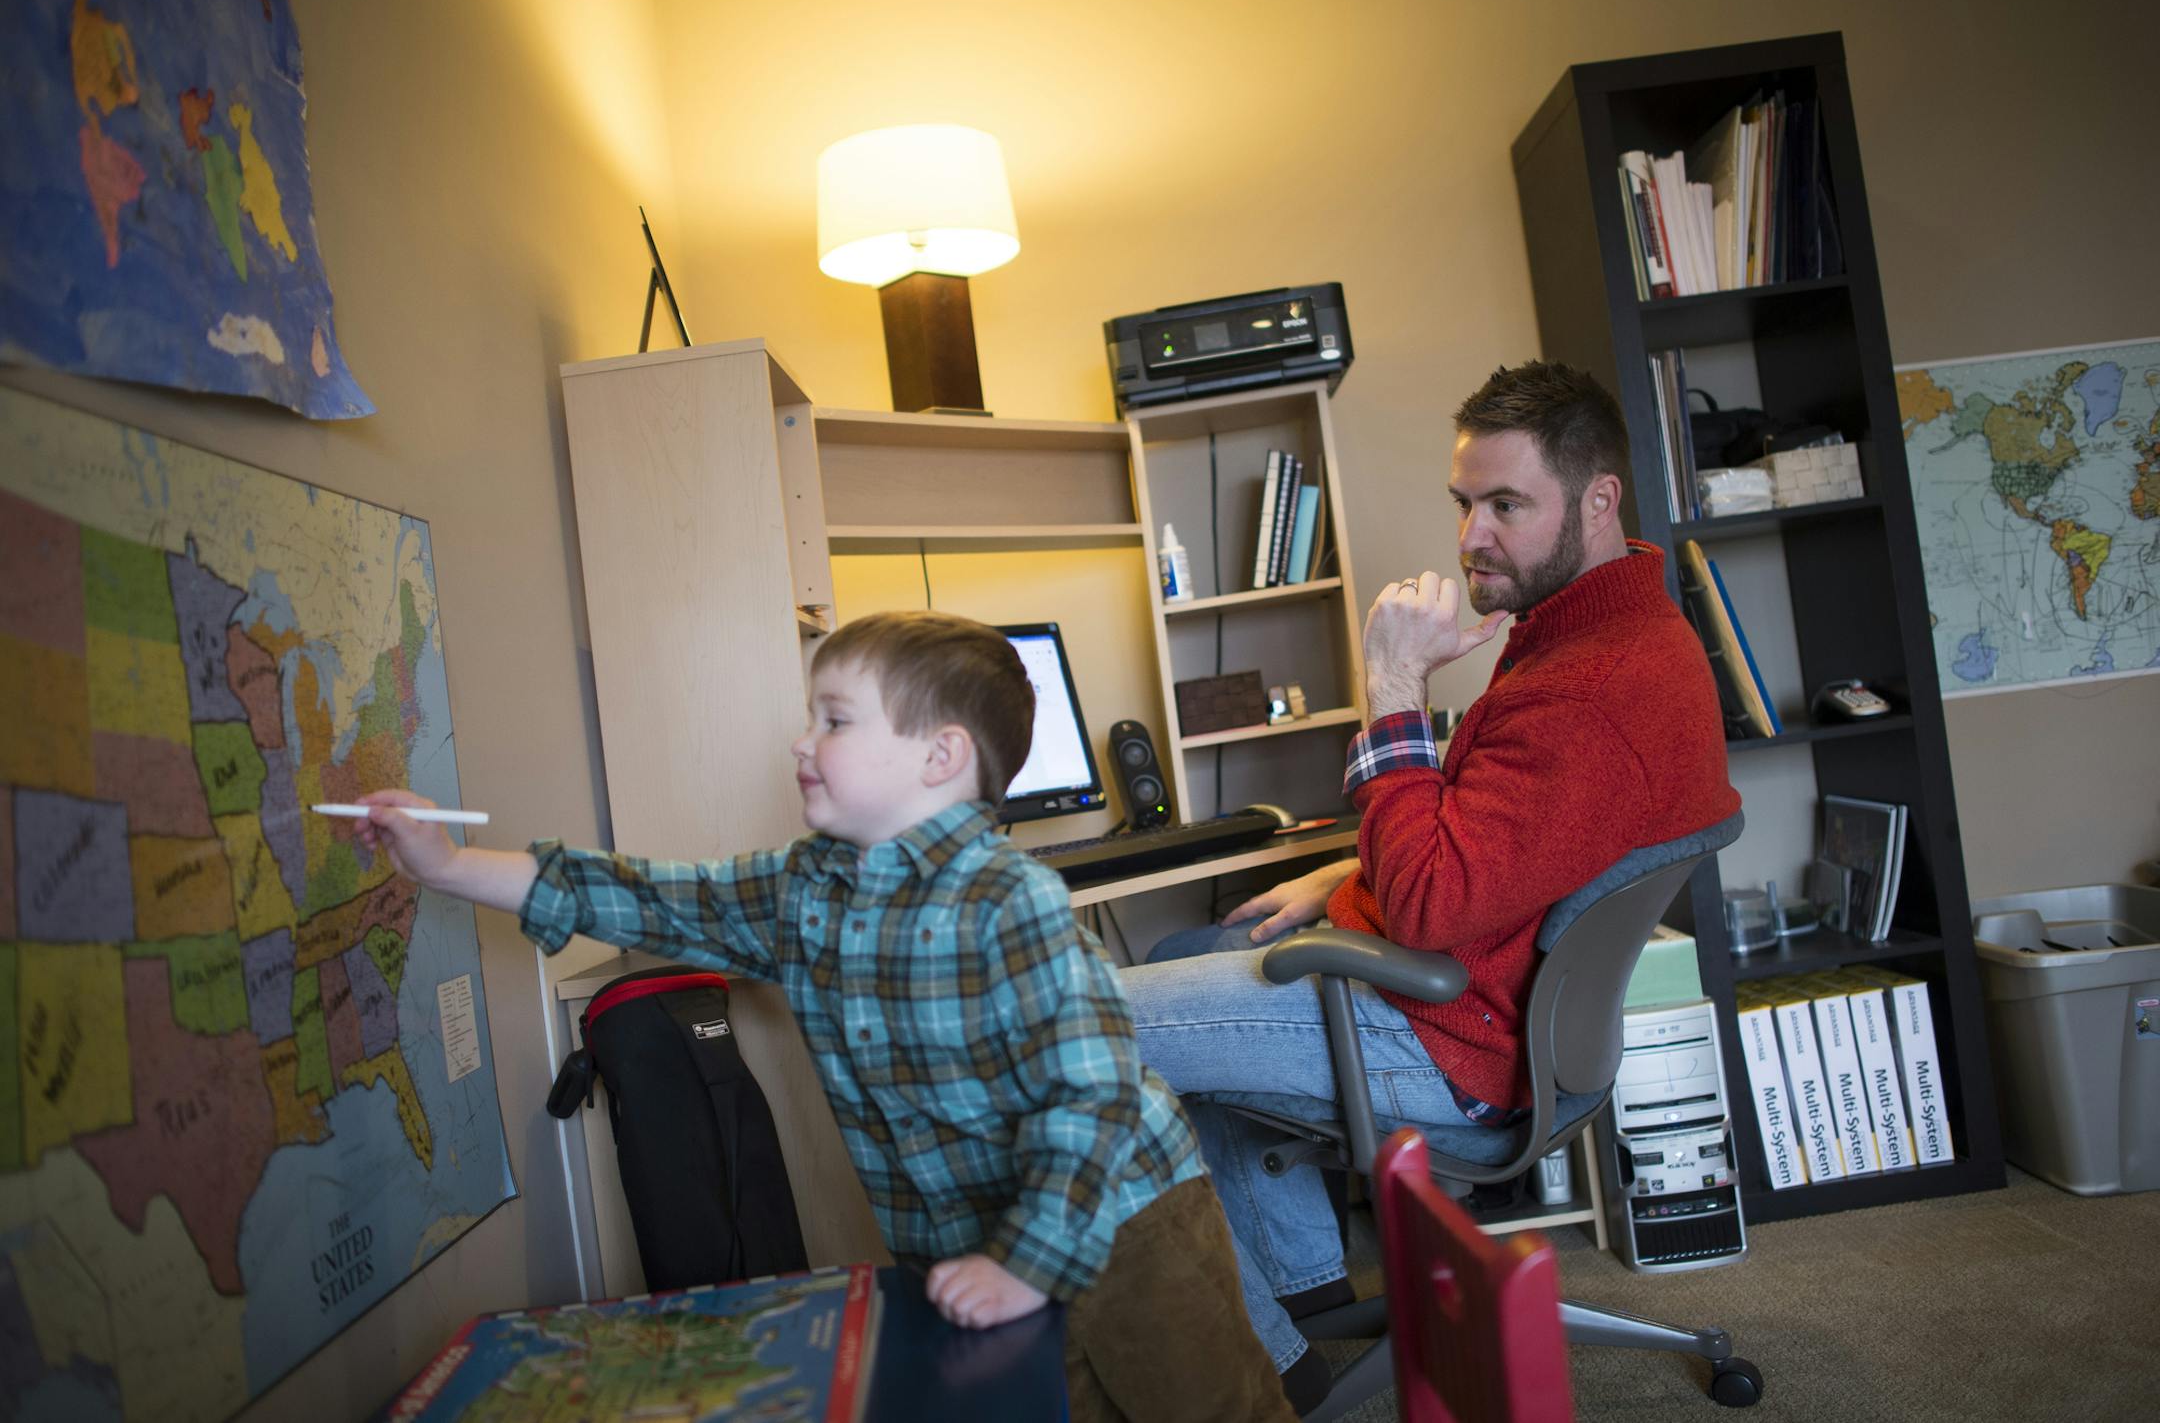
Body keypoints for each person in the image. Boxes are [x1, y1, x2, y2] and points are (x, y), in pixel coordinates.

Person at [350, 611, 1296, 1423]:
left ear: (942, 755)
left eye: (834, 719)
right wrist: (447, 867)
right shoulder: (806, 889)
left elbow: (1087, 1102)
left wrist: (1027, 1263)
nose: (802, 741)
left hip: (1126, 1225)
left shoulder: (1011, 901)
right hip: (968, 1250)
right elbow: (648, 898)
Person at [1120, 361, 1742, 1408]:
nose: (1470, 537)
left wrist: (1394, 693)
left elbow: (1435, 903)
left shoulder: (1592, 689)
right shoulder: (1600, 625)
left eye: (1506, 504)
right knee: (1194, 957)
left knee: (1075, 1030)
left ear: (1598, 499)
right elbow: (1509, 835)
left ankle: (1266, 1364)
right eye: (1465, 503)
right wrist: (1344, 866)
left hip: (1444, 1035)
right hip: (1473, 998)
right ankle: (1311, 1315)